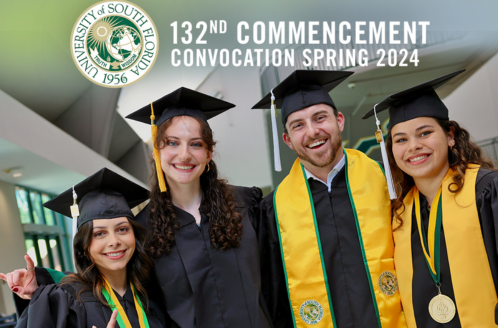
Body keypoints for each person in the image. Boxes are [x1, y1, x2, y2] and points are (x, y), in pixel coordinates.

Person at [7, 88, 272, 328]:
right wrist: (44, 280)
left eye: (196, 144)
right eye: (172, 143)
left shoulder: (246, 205)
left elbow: (279, 272)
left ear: (209, 154)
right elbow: (109, 280)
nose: (184, 155)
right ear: (156, 152)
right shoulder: (143, 229)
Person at [252, 70, 407, 328]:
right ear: (287, 140)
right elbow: (275, 295)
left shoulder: (387, 181)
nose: (312, 131)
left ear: (339, 121)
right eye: (298, 125)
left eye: (320, 118)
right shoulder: (273, 209)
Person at [363, 69, 498, 327]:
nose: (413, 146)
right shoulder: (400, 214)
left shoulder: (487, 191)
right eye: (400, 139)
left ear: (449, 135)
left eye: (424, 133)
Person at [0, 168, 166, 328]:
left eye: (122, 229)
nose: (114, 241)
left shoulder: (151, 294)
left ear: (134, 236)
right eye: (99, 233)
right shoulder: (66, 302)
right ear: (84, 246)